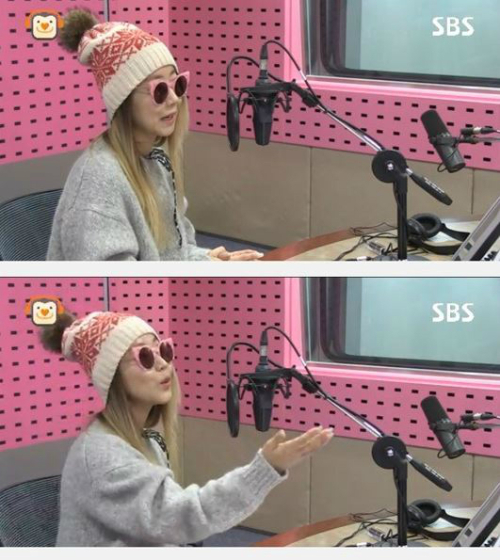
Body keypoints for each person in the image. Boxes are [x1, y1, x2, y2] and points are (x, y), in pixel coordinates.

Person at [39, 310, 334, 546]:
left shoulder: (143, 438)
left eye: (163, 350)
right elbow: (182, 517)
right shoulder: (104, 457)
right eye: (144, 357)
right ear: (113, 379)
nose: (163, 365)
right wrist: (265, 469)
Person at [46, 8, 263, 262]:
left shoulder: (156, 160)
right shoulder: (98, 181)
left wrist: (208, 260)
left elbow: (175, 252)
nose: (174, 99)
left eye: (178, 84)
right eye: (160, 90)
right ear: (124, 101)